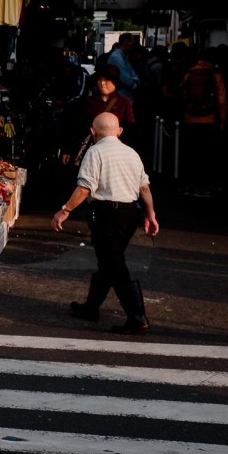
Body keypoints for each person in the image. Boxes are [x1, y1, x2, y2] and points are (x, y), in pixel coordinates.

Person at [51, 112, 159, 334]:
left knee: (115, 265)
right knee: (109, 262)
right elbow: (144, 188)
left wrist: (65, 210)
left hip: (106, 214)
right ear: (120, 132)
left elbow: (84, 188)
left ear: (92, 132)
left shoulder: (95, 151)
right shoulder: (132, 153)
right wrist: (151, 215)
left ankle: (137, 317)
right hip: (130, 214)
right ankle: (91, 308)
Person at [60, 65, 136, 169]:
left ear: (115, 82)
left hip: (114, 153)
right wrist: (68, 150)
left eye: (107, 80)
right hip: (91, 152)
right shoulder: (88, 102)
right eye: (100, 79)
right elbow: (77, 128)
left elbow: (130, 129)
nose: (102, 83)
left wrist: (126, 153)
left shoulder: (124, 103)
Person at [177, 46, 228, 197]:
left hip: (189, 118)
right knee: (206, 155)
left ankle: (188, 185)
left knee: (189, 154)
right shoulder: (215, 75)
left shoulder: (189, 74)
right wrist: (222, 122)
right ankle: (203, 186)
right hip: (209, 119)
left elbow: (182, 93)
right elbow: (222, 101)